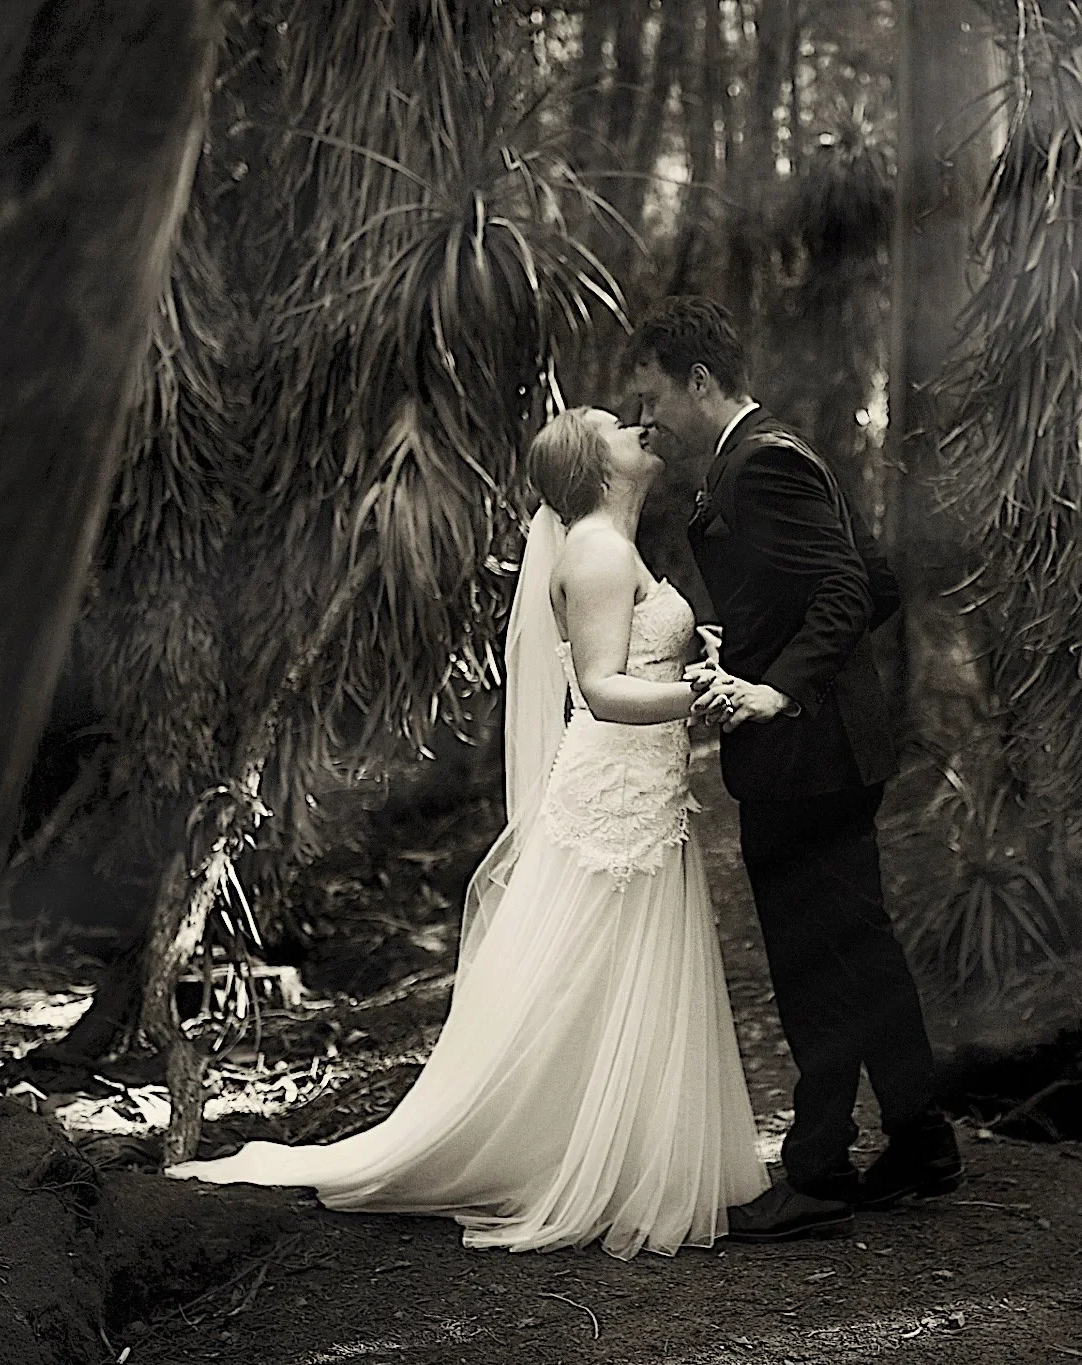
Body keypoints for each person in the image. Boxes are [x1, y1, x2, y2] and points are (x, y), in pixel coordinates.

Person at [166, 408, 768, 1260]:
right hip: (614, 795)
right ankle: (576, 1156)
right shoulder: (597, 550)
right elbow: (600, 690)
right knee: (593, 969)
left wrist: (686, 660)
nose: (639, 426)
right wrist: (705, 697)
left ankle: (617, 1149)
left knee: (618, 973)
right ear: (594, 464)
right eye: (616, 426)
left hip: (644, 786)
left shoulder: (612, 544)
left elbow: (636, 656)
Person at [627, 296, 963, 1245]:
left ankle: (819, 1166)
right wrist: (774, 648)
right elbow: (869, 578)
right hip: (822, 750)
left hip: (808, 756)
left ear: (699, 380)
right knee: (860, 947)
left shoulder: (765, 463)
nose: (648, 419)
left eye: (654, 397)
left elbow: (853, 587)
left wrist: (781, 691)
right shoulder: (770, 451)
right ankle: (920, 1139)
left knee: (816, 958)